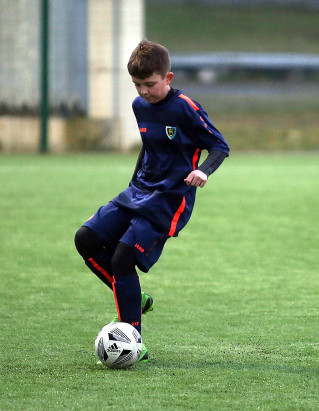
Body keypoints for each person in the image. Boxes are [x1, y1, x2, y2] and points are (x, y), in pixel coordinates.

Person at [74, 40, 230, 363]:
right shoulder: (139, 105)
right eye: (137, 85)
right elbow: (148, 145)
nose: (143, 91)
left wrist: (203, 171)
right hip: (138, 191)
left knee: (123, 257)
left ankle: (134, 341)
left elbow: (219, 145)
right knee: (85, 238)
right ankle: (135, 297)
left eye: (150, 84)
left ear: (167, 78)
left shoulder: (185, 107)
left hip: (170, 199)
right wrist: (132, 185)